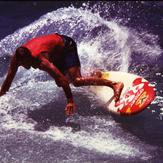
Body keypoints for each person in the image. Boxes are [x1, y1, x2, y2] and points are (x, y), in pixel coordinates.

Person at [0, 33, 124, 119]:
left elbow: (63, 80)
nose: (23, 66)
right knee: (61, 82)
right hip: (55, 52)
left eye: (26, 63)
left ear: (30, 57)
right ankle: (94, 74)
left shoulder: (42, 61)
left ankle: (114, 84)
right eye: (21, 64)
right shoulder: (17, 59)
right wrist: (1, 94)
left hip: (66, 46)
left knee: (76, 81)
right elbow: (8, 81)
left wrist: (70, 101)